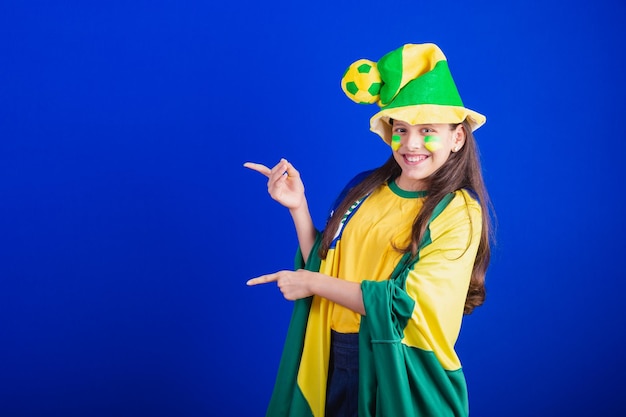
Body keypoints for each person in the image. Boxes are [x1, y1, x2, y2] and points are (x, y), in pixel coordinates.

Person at [244, 43, 493, 417]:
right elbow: (327, 263)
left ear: (457, 137)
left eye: (427, 130)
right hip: (335, 354)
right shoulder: (366, 189)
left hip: (395, 365)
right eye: (401, 128)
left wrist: (311, 284)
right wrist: (298, 207)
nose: (410, 143)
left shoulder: (458, 211)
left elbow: (405, 306)